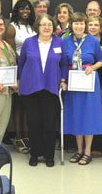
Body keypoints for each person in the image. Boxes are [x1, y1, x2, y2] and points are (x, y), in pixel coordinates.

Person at [18, 13, 67, 167]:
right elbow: (22, 63)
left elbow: (64, 63)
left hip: (51, 87)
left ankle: (49, 155)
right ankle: (35, 154)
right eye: (43, 24)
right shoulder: (29, 42)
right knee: (33, 122)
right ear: (37, 27)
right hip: (31, 87)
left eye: (49, 25)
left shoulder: (59, 42)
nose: (47, 27)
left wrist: (63, 79)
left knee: (49, 123)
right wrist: (19, 81)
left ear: (53, 27)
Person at [62, 13, 102, 166]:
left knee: (89, 116)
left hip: (89, 82)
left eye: (81, 23)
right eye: (75, 24)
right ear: (71, 25)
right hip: (73, 82)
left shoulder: (93, 41)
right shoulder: (66, 41)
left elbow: (101, 60)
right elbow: (63, 63)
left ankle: (87, 152)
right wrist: (63, 80)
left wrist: (92, 67)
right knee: (76, 115)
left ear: (85, 25)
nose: (78, 26)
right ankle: (79, 150)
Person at [5, 0, 36, 154]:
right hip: (19, 68)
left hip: (33, 70)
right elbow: (11, 53)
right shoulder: (11, 28)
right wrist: (20, 70)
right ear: (16, 11)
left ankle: (26, 135)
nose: (25, 11)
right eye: (22, 9)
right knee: (18, 105)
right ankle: (18, 137)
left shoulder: (32, 27)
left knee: (27, 105)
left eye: (28, 9)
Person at [87, 14, 102, 156]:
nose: (93, 27)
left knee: (99, 113)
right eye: (90, 25)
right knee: (87, 113)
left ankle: (97, 146)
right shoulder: (83, 41)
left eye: (96, 25)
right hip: (86, 80)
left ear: (101, 28)